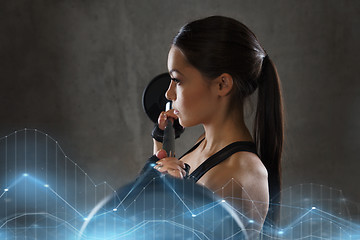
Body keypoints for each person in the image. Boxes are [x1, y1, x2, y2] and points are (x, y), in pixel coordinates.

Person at [152, 16, 284, 239]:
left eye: (178, 80)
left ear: (222, 84)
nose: (169, 94)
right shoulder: (204, 146)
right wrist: (162, 140)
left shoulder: (241, 173)